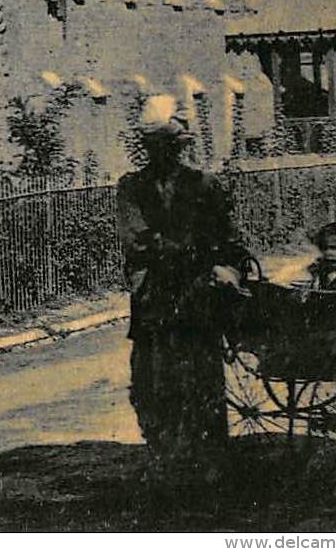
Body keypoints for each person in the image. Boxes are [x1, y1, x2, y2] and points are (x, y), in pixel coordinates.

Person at [117, 95, 251, 474]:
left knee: (203, 379)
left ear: (179, 145)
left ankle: (210, 464)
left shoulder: (204, 185)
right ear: (145, 147)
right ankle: (165, 456)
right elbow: (137, 239)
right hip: (153, 300)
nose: (161, 152)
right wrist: (192, 250)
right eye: (153, 144)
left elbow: (225, 237)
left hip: (196, 297)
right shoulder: (131, 188)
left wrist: (223, 265)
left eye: (168, 144)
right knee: (151, 382)